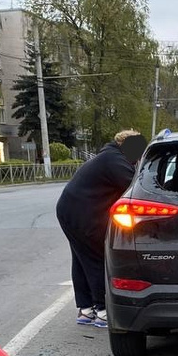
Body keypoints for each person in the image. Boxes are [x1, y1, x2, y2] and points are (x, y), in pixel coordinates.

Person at [55, 129, 144, 328]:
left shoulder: (110, 156)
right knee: (97, 257)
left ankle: (86, 310)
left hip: (70, 210)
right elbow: (135, 187)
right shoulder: (114, 160)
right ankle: (102, 309)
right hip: (83, 214)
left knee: (81, 259)